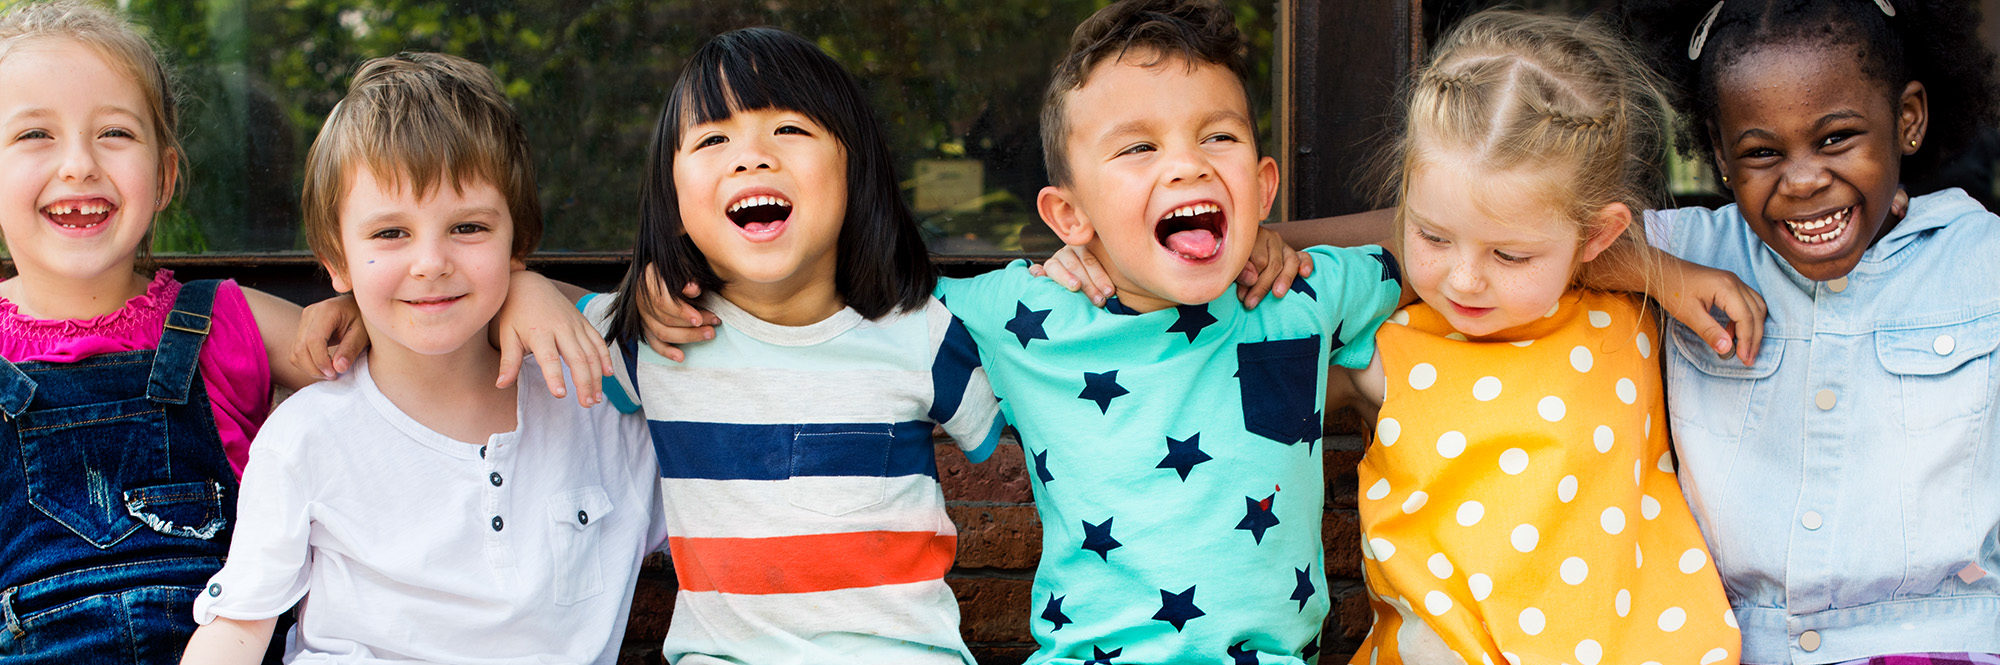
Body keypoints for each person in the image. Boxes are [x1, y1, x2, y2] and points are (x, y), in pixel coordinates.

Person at [178, 52, 662, 664]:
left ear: (520, 241)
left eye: (468, 228)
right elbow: (238, 629)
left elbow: (710, 339)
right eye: (389, 234)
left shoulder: (601, 408)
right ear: (335, 259)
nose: (431, 261)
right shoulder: (307, 437)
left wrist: (533, 289)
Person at [1325, 10, 1739, 664]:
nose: (1464, 279)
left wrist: (1670, 278)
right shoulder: (1387, 346)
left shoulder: (1635, 319)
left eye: (1509, 256)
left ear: (1598, 236)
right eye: (1433, 236)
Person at [583, 27, 1002, 664]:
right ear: (672, 202)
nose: (751, 157)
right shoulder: (649, 338)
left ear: (853, 169)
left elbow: (1044, 401)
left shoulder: (923, 332)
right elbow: (512, 312)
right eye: (713, 138)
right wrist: (528, 289)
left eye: (789, 130)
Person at [1618, 0, 2000, 661]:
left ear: (1906, 120)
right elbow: (1499, 236)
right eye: (1762, 151)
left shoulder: (1981, 260)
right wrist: (1664, 275)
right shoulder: (1692, 249)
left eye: (1835, 138)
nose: (1801, 179)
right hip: (1737, 644)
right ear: (1718, 151)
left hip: (1942, 641)